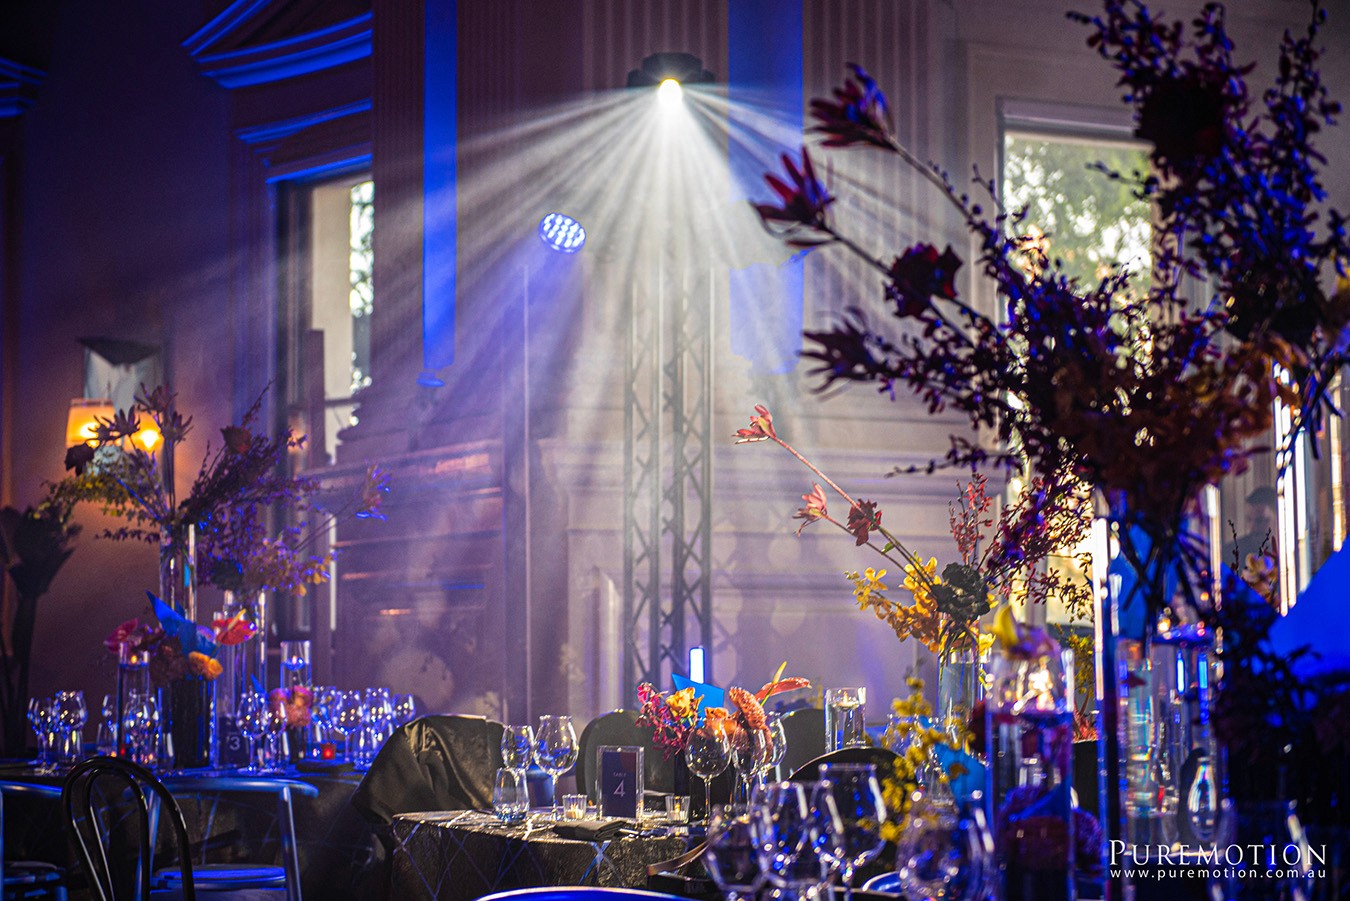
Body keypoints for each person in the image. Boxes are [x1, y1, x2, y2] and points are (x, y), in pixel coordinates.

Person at [1227, 485, 1277, 568]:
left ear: (1278, 518)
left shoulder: (1290, 554)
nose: (1252, 527)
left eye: (1260, 520)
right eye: (1249, 520)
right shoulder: (1231, 553)